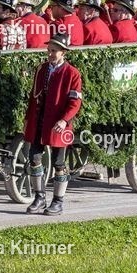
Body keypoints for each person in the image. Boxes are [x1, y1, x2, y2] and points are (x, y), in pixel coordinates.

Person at [22, 32, 81, 216]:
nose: (50, 54)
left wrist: (64, 120)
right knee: (34, 158)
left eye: (54, 51)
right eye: (48, 50)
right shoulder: (41, 69)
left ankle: (58, 201)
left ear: (63, 52)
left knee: (58, 162)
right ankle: (39, 197)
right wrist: (28, 119)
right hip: (39, 120)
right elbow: (33, 97)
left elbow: (75, 102)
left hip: (59, 123)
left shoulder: (72, 73)